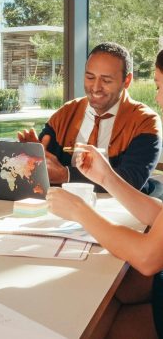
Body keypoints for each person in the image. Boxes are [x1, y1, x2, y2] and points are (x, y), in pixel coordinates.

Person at [45, 49, 163, 339]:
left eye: (160, 87)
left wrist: (79, 212)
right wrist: (107, 178)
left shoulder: (144, 121)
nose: (158, 98)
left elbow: (148, 258)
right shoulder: (67, 113)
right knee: (100, 309)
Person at [18, 42, 162, 193]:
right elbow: (46, 168)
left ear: (126, 81)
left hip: (119, 211)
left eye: (106, 80)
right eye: (90, 77)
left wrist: (66, 175)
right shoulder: (66, 113)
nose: (95, 87)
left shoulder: (145, 121)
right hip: (64, 206)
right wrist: (34, 157)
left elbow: (131, 180)